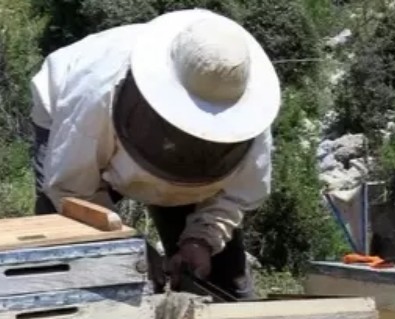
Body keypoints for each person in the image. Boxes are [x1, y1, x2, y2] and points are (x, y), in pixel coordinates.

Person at [28, 8, 281, 300]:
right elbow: (72, 192)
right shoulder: (95, 95)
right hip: (74, 127)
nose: (196, 132)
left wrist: (200, 241)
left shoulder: (247, 113)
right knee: (71, 251)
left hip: (182, 177)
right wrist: (130, 248)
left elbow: (237, 194)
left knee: (225, 286)